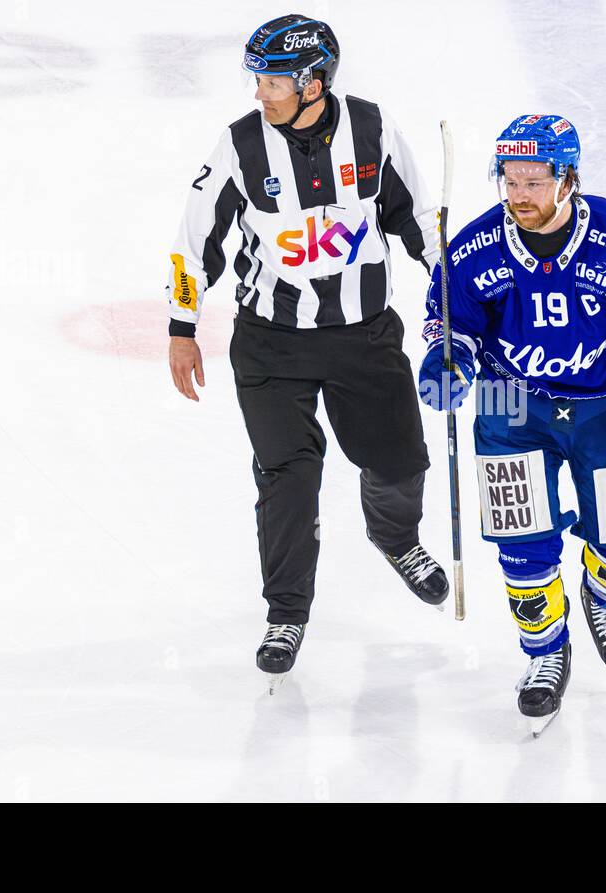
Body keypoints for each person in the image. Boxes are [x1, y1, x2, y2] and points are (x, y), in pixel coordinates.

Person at [166, 13, 448, 686]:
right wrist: (182, 325)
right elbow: (193, 240)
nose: (258, 92)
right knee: (289, 477)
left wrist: (451, 280)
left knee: (400, 459)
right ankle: (286, 612)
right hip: (271, 346)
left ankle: (396, 538)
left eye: (269, 81)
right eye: (257, 79)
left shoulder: (373, 130)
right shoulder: (238, 147)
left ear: (312, 81)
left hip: (363, 336)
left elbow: (417, 217)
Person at [417, 114, 606, 727]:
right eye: (509, 182)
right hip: (509, 400)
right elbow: (451, 316)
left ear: (567, 177)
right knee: (521, 542)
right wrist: (449, 359)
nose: (519, 196)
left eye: (533, 182)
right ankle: (545, 654)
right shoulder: (475, 247)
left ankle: (605, 598)